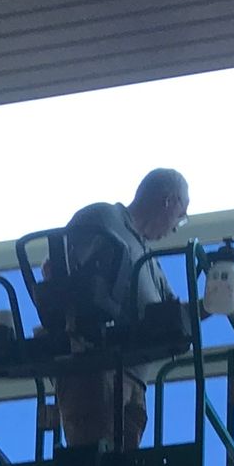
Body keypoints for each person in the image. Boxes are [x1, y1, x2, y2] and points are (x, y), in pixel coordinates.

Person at [51, 166, 192, 448]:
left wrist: (213, 303)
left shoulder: (150, 262)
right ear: (168, 200)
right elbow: (55, 271)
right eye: (181, 216)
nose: (177, 227)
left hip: (134, 383)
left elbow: (173, 318)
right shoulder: (103, 218)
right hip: (95, 370)